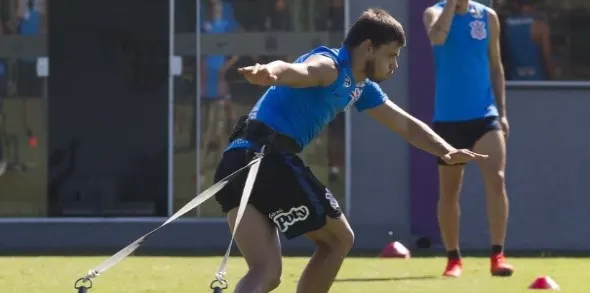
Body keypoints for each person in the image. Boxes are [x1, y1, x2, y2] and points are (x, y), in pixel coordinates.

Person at [214, 8, 487, 293]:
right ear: (369, 47)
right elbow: (300, 71)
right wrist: (269, 72)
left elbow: (403, 123)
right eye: (391, 55)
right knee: (338, 239)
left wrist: (445, 150)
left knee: (266, 273)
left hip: (234, 163)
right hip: (265, 159)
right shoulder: (331, 66)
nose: (394, 66)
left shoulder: (360, 87)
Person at [423, 0, 513, 278]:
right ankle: (453, 258)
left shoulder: (488, 17)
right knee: (449, 192)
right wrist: (451, 6)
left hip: (485, 115)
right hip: (449, 119)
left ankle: (497, 254)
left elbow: (496, 65)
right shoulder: (434, 13)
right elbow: (437, 38)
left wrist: (502, 112)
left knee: (496, 179)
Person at [503, 0, 553, 80]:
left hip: (512, 81)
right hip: (537, 81)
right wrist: (553, 79)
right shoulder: (540, 26)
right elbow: (547, 57)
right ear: (535, 5)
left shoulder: (505, 25)